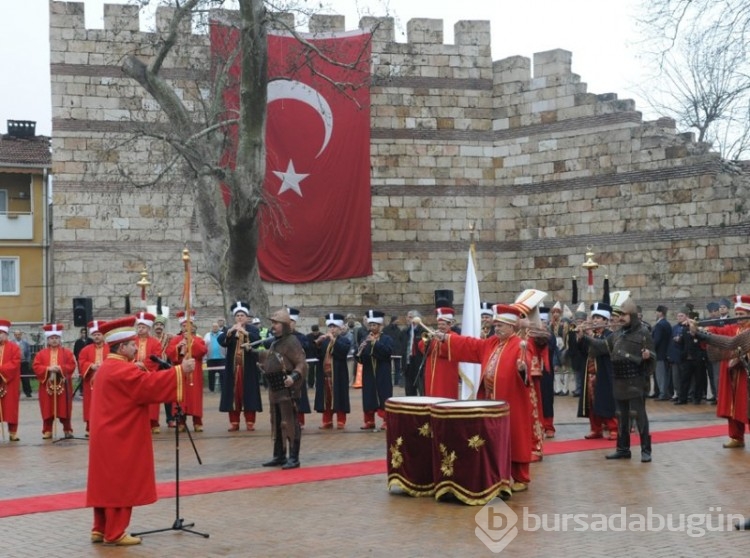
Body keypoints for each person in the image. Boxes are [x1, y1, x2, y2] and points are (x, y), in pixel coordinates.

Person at [86, 315, 196, 546]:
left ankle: (100, 528)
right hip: (120, 436)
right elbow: (148, 387)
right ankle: (115, 532)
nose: (137, 347)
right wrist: (180, 371)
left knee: (105, 482)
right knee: (121, 482)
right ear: (122, 346)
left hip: (107, 435)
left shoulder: (111, 366)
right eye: (133, 344)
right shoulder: (122, 370)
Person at [435, 303, 532, 495]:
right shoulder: (492, 343)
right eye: (496, 325)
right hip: (490, 399)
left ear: (512, 327)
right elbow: (471, 345)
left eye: (500, 326)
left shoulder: (518, 344)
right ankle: (497, 474)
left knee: (514, 436)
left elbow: (526, 361)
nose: (496, 329)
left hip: (511, 401)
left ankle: (521, 477)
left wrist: (523, 369)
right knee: (493, 439)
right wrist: (447, 338)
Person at [579, 292, 655, 462]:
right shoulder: (617, 335)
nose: (621, 318)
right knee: (621, 416)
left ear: (633, 315)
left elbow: (653, 357)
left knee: (639, 415)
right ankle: (622, 449)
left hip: (635, 381)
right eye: (620, 315)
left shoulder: (644, 333)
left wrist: (648, 356)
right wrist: (585, 337)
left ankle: (645, 450)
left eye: (624, 315)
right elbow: (601, 346)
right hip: (618, 381)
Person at [691, 294, 750, 449]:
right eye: (736, 314)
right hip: (732, 374)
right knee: (733, 406)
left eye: (741, 315)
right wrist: (702, 330)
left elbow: (734, 343)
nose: (738, 317)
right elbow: (719, 332)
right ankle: (736, 437)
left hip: (746, 375)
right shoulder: (733, 328)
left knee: (747, 406)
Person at [257, 308, 308, 469]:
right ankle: (279, 455)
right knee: (277, 423)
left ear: (285, 325)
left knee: (290, 423)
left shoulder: (292, 341)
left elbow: (302, 363)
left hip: (287, 390)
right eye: (272, 323)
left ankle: (293, 457)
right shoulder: (274, 342)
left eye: (276, 323)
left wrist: (293, 377)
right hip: (275, 389)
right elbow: (274, 359)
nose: (273, 326)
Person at [218, 301, 262, 431]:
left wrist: (245, 332)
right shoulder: (229, 329)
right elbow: (222, 342)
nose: (240, 318)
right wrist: (231, 332)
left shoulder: (253, 329)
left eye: (242, 315)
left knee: (249, 394)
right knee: (233, 395)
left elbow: (257, 341)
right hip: (233, 369)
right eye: (237, 316)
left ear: (247, 317)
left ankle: (250, 421)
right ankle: (234, 422)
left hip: (248, 369)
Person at [576, 303, 617, 440]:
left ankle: (613, 428)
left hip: (604, 373)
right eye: (594, 317)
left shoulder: (610, 334)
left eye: (599, 318)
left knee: (605, 401)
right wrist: (580, 338)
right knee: (591, 403)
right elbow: (583, 352)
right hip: (590, 373)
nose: (595, 320)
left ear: (606, 320)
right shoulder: (593, 334)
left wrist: (587, 336)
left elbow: (601, 347)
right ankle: (596, 428)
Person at [32, 324, 77, 439]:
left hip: (63, 386)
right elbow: (36, 366)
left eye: (56, 338)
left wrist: (60, 368)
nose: (54, 340)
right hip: (47, 386)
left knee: (65, 408)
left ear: (60, 339)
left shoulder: (66, 352)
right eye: (52, 338)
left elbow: (71, 365)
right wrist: (48, 369)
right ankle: (47, 430)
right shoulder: (41, 354)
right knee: (47, 408)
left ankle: (67, 429)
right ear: (48, 340)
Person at [166, 310, 208, 432]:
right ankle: (180, 421)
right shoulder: (175, 339)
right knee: (180, 396)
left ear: (193, 326)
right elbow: (170, 353)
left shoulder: (198, 339)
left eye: (188, 326)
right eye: (184, 326)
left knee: (195, 397)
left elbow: (201, 351)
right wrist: (178, 347)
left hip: (194, 373)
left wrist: (191, 341)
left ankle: (197, 421)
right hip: (180, 372)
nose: (186, 328)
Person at [356, 310, 394, 430]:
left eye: (374, 325)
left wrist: (375, 343)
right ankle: (369, 420)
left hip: (382, 371)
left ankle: (386, 420)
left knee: (384, 394)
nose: (372, 328)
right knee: (368, 395)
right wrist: (360, 351)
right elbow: (361, 358)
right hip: (368, 372)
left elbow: (387, 352)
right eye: (370, 325)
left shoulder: (386, 338)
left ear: (380, 326)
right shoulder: (364, 337)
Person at [313, 313, 351, 429]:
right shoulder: (324, 341)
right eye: (330, 327)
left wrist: (333, 340)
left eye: (334, 327)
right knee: (327, 399)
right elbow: (317, 355)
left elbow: (343, 352)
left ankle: (341, 420)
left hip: (338, 375)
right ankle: (327, 421)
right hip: (325, 375)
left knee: (339, 397)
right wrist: (318, 344)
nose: (332, 329)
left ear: (340, 328)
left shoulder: (344, 340)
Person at [131, 312, 164, 433]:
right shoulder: (132, 341)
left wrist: (144, 366)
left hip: (149, 373)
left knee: (152, 399)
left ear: (149, 328)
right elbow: (127, 355)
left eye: (143, 327)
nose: (140, 329)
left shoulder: (155, 342)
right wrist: (134, 363)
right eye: (139, 327)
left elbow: (157, 357)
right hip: (134, 373)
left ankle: (154, 422)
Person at [417, 307, 459, 399]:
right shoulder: (434, 335)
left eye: (443, 324)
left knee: (444, 396)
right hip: (431, 373)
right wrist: (427, 342)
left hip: (445, 375)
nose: (440, 327)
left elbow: (447, 351)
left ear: (450, 325)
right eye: (439, 324)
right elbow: (422, 348)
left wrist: (441, 340)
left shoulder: (453, 336)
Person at [76, 320, 109, 436]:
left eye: (99, 334)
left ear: (103, 335)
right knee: (90, 404)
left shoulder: (110, 348)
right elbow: (81, 362)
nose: (96, 337)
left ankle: (105, 427)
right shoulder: (86, 349)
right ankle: (90, 427)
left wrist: (105, 366)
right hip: (90, 381)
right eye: (94, 335)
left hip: (107, 382)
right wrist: (91, 366)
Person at [286, 308, 312, 428]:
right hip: (283, 370)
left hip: (297, 370)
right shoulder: (277, 337)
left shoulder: (301, 336)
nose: (288, 324)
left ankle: (300, 420)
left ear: (294, 323)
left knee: (299, 395)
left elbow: (307, 347)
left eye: (291, 321)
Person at [0, 319, 22, 441]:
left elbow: (16, 362)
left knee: (10, 407)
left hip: (10, 382)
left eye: (0, 333)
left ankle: (13, 432)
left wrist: (1, 370)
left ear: (6, 334)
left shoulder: (14, 348)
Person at [153, 315, 176, 427]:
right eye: (157, 325)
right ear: (153, 327)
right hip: (154, 368)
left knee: (167, 394)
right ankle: (154, 420)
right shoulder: (150, 338)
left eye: (161, 325)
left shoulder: (169, 337)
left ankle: (170, 419)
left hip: (166, 366)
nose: (159, 327)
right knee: (154, 395)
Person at [402, 310, 427, 396]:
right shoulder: (405, 331)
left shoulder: (423, 331)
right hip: (408, 365)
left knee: (422, 391)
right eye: (407, 317)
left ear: (417, 319)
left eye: (410, 317)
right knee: (409, 391)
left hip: (419, 365)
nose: (408, 319)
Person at [651, 305, 671, 400]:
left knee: (661, 375)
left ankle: (663, 394)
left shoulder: (660, 325)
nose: (656, 314)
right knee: (663, 374)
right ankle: (664, 392)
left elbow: (656, 340)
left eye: (656, 312)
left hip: (660, 354)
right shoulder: (666, 323)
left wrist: (650, 348)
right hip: (665, 353)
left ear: (660, 313)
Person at [203, 321, 226, 393]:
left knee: (223, 374)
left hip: (222, 358)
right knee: (211, 374)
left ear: (219, 327)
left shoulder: (223, 334)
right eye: (213, 327)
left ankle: (223, 388)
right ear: (211, 328)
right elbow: (204, 345)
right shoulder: (207, 335)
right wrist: (204, 357)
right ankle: (211, 389)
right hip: (211, 358)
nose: (215, 328)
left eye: (216, 327)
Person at [382, 316, 404, 387]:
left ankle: (396, 382)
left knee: (397, 367)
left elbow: (400, 341)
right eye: (397, 320)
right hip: (389, 350)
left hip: (397, 351)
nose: (398, 322)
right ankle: (388, 381)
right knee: (388, 367)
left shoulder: (398, 329)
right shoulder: (386, 329)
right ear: (394, 320)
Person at [11, 329, 32, 398]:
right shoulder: (11, 343)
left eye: (19, 334)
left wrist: (27, 361)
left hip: (23, 362)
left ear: (21, 335)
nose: (17, 336)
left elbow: (29, 353)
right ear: (14, 335)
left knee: (25, 378)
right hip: (14, 363)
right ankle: (14, 393)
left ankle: (28, 392)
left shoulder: (25, 343)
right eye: (16, 335)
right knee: (14, 378)